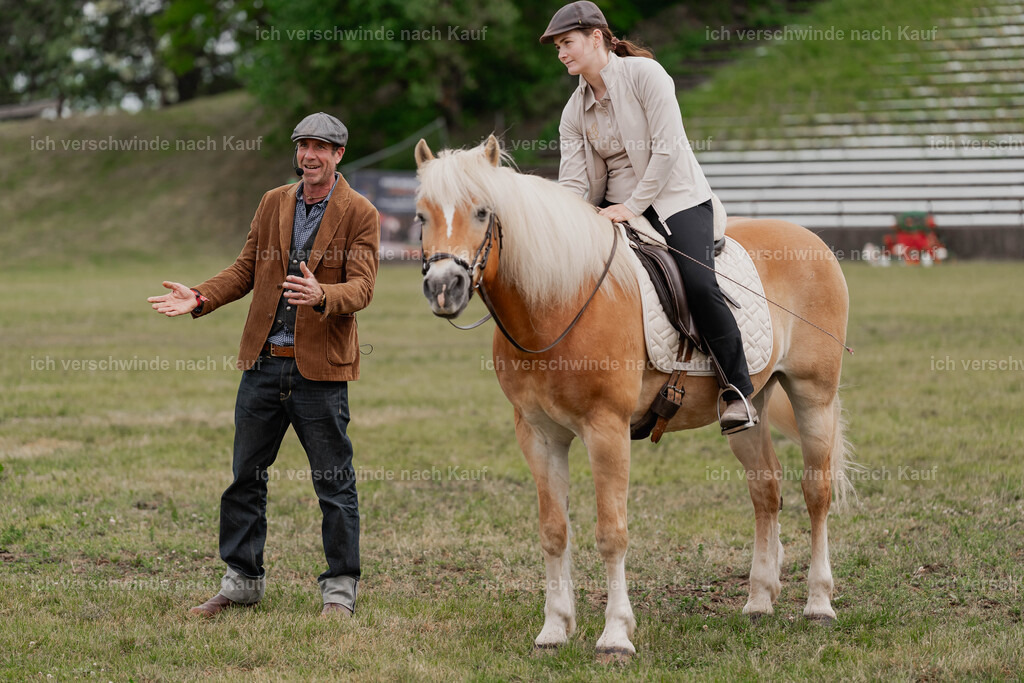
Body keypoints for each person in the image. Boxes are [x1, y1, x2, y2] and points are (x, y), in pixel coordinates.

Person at [148, 112, 380, 617]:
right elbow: (246, 269)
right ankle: (241, 584)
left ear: (339, 155)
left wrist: (323, 294)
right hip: (263, 366)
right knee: (244, 478)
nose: (309, 155)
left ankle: (340, 589)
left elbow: (362, 288)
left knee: (334, 482)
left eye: (321, 147)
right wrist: (201, 296)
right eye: (303, 145)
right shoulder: (275, 201)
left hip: (320, 372)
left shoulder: (361, 212)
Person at [540, 1, 757, 433]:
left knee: (698, 282)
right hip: (615, 211)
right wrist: (563, 223)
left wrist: (632, 207)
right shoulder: (573, 112)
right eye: (558, 47)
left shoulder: (647, 76)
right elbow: (572, 182)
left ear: (596, 37)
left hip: (676, 199)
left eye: (567, 43)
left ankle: (738, 391)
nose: (561, 53)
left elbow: (667, 148)